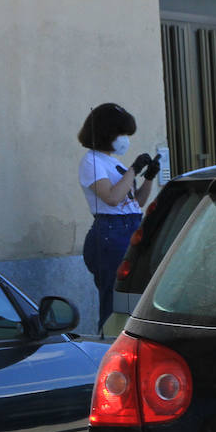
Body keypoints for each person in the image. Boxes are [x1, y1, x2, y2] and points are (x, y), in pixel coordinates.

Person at [78, 103, 159, 332]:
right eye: (121, 134)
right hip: (110, 233)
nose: (125, 139)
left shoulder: (113, 162)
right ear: (106, 133)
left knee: (134, 298)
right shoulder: (91, 162)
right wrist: (133, 169)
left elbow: (136, 202)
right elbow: (111, 198)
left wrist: (149, 177)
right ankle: (106, 348)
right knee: (113, 302)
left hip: (131, 227)